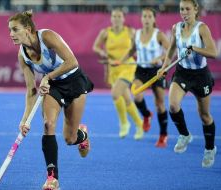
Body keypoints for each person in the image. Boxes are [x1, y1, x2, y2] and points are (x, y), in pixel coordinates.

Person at [8, 10, 94, 189]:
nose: (11, 34)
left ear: (28, 29)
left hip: (75, 81)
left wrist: (48, 77)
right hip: (53, 87)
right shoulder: (22, 55)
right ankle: (52, 179)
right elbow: (31, 90)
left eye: (15, 30)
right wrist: (24, 120)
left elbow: (72, 62)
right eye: (10, 30)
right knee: (48, 124)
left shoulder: (47, 36)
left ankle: (82, 134)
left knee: (69, 139)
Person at [157, 0, 218, 167]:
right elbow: (170, 51)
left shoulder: (202, 28)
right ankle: (184, 135)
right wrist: (164, 67)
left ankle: (210, 148)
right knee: (173, 106)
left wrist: (195, 48)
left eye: (187, 9)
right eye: (181, 9)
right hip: (182, 73)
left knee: (205, 116)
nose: (184, 12)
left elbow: (214, 52)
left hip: (200, 76)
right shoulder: (176, 28)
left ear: (195, 9)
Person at [120, 7, 170, 147]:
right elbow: (132, 50)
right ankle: (147, 115)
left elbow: (170, 53)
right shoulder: (136, 34)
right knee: (136, 96)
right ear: (141, 19)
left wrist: (159, 58)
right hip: (141, 71)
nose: (146, 19)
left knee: (160, 105)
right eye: (144, 16)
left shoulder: (159, 35)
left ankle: (163, 135)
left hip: (157, 71)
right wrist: (121, 60)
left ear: (154, 19)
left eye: (149, 16)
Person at [93, 8, 144, 140]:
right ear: (111, 18)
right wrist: (103, 53)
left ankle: (124, 123)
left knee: (115, 94)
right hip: (113, 68)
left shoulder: (130, 32)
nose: (116, 18)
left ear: (123, 18)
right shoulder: (105, 33)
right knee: (126, 99)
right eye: (114, 16)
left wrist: (140, 53)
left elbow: (138, 45)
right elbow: (96, 46)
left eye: (119, 16)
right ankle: (139, 124)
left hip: (128, 66)